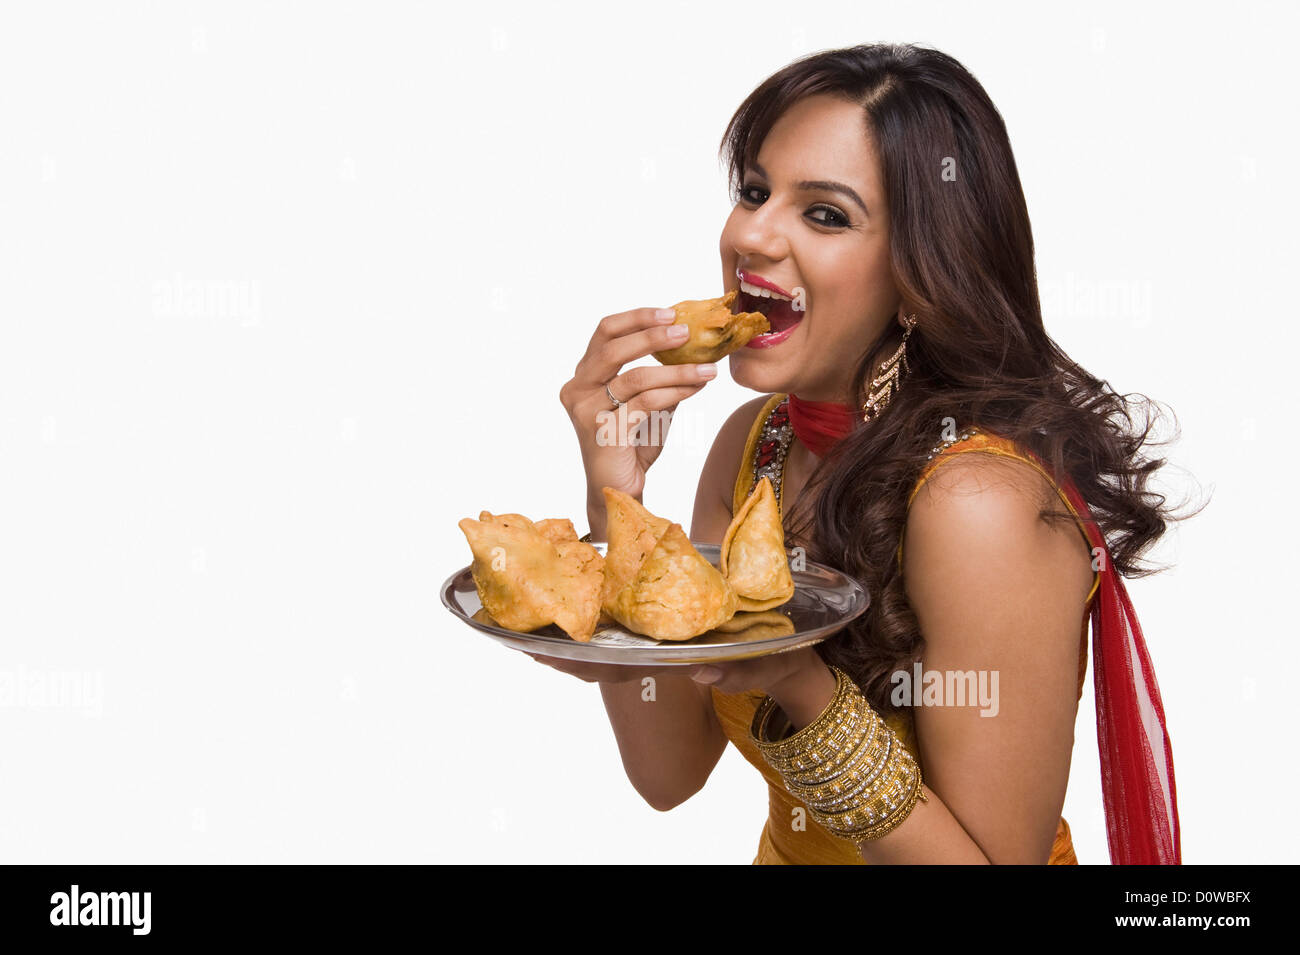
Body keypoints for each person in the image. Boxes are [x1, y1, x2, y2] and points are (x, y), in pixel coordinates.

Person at [542, 43, 1193, 864]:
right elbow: (668, 775)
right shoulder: (757, 447)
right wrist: (619, 509)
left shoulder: (977, 499)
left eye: (825, 213)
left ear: (919, 273)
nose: (751, 234)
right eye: (753, 190)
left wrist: (795, 678)